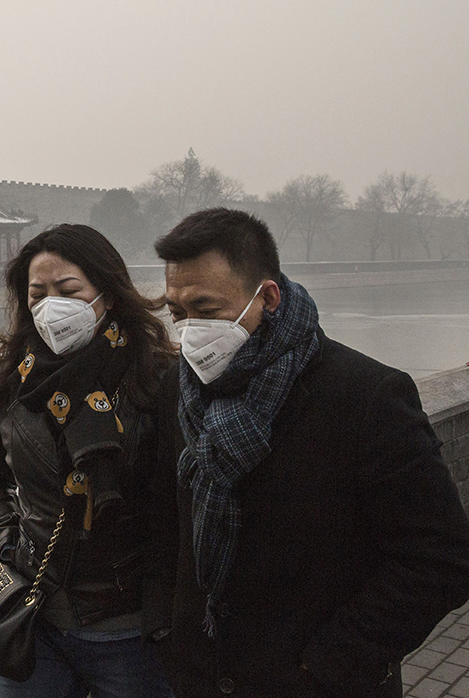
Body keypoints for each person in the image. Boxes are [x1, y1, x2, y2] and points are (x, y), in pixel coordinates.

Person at [149, 207, 469, 697]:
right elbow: (165, 523)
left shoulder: (368, 396)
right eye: (178, 313)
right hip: (202, 676)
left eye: (207, 311)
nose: (191, 331)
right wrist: (168, 632)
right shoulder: (178, 389)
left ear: (269, 297)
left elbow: (439, 558)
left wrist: (328, 666)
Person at [0, 224, 176, 697]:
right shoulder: (17, 379)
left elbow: (178, 501)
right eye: (36, 294)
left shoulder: (158, 379)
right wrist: (9, 542)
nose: (49, 307)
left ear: (106, 292)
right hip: (37, 617)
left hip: (128, 631)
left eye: (67, 290)